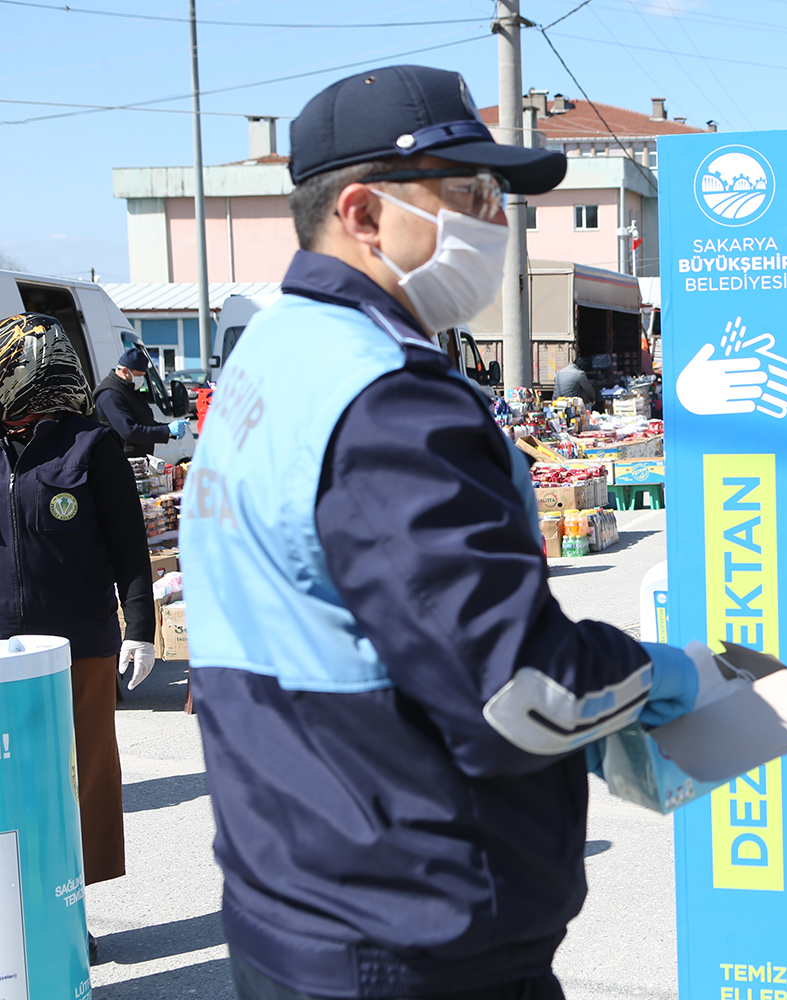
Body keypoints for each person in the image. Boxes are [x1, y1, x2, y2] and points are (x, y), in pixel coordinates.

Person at [181, 65, 700, 999]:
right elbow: (517, 687)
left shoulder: (276, 348)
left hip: (300, 883)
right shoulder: (387, 399)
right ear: (363, 213)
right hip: (410, 925)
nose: (496, 223)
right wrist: (676, 678)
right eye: (468, 195)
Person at [0, 313, 155, 964]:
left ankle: (68, 912)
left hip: (78, 646)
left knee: (76, 784)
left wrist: (141, 627)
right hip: (4, 647)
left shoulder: (91, 445)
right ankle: (13, 916)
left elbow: (129, 546)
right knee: (12, 790)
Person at [92, 346, 188, 456]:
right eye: (139, 375)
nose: (141, 380)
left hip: (138, 460)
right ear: (125, 371)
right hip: (118, 459)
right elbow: (129, 431)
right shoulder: (110, 394)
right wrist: (166, 431)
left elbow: (143, 422)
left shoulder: (129, 389)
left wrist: (168, 429)